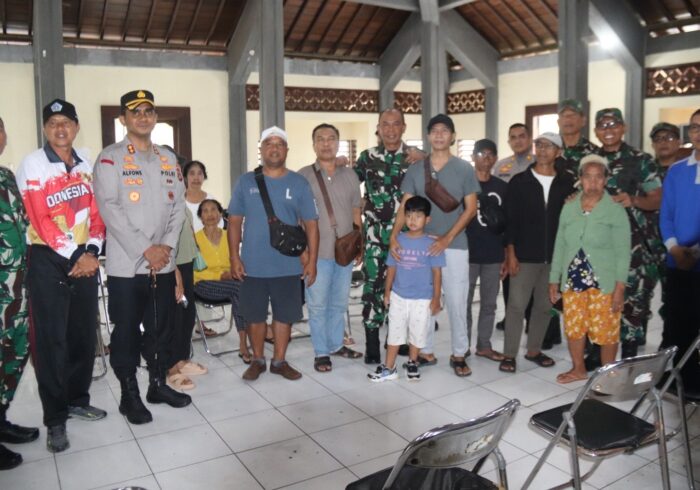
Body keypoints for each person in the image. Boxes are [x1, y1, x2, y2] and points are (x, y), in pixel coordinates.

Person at [94, 90, 191, 425]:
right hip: (126, 265)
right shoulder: (110, 158)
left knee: (161, 328)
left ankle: (157, 384)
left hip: (162, 264)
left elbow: (178, 207)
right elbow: (110, 209)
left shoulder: (168, 159)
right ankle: (129, 394)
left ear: (155, 117)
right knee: (125, 332)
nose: (143, 117)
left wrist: (166, 249)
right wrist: (146, 249)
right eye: (135, 112)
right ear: (124, 119)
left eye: (148, 111)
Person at [16, 99, 107, 452]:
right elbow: (39, 218)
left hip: (85, 256)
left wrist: (92, 251)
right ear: (45, 129)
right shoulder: (33, 164)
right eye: (53, 122)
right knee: (51, 341)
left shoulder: (86, 163)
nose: (60, 128)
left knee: (83, 334)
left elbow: (97, 213)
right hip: (48, 258)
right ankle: (55, 419)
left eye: (66, 122)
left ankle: (77, 400)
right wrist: (77, 255)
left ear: (76, 126)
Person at [392, 114, 480, 377]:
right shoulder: (416, 170)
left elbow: (471, 209)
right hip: (421, 245)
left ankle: (459, 353)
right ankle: (425, 350)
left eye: (445, 130)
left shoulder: (464, 168)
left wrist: (447, 238)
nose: (439, 135)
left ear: (452, 136)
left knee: (456, 300)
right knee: (424, 300)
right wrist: (394, 236)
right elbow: (405, 206)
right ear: (428, 136)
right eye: (435, 131)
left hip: (455, 245)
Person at [228, 126, 319, 381]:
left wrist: (312, 260)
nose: (274, 148)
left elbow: (312, 224)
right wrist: (234, 257)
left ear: (287, 150)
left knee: (284, 316)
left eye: (279, 144)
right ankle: (258, 360)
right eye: (269, 143)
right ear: (261, 149)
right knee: (254, 316)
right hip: (252, 265)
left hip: (288, 265)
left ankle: (279, 361)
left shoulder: (299, 183)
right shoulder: (246, 182)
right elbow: (234, 222)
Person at [549, 155, 630, 383]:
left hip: (603, 281)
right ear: (580, 179)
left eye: (598, 177)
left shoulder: (615, 210)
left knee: (606, 329)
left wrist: (619, 288)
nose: (593, 182)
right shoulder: (569, 206)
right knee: (574, 327)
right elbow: (560, 244)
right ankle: (578, 369)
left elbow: (623, 252)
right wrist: (554, 279)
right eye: (588, 176)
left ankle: (608, 375)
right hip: (573, 279)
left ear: (605, 180)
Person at [500, 132, 575, 373]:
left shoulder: (567, 183)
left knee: (544, 306)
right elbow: (510, 220)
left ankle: (534, 350)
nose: (543, 150)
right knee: (516, 305)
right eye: (540, 145)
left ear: (558, 152)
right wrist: (510, 253)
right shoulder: (520, 181)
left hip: (554, 257)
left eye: (549, 146)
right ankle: (509, 354)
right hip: (524, 255)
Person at [594, 108, 664, 358]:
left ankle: (630, 352)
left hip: (634, 243)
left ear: (624, 128)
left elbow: (657, 198)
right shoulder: (591, 161)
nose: (608, 130)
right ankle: (599, 350)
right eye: (603, 125)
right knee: (601, 298)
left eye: (614, 124)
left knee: (633, 301)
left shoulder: (641, 160)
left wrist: (633, 200)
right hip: (599, 246)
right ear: (596, 131)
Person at [354, 109, 421, 364]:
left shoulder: (414, 158)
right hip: (374, 236)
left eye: (396, 124)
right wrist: (338, 164)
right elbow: (348, 183)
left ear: (403, 127)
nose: (391, 129)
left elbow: (436, 174)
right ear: (379, 128)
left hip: (405, 237)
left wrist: (425, 156)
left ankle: (396, 338)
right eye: (385, 124)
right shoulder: (366, 157)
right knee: (373, 286)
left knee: (402, 286)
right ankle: (372, 343)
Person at [299, 124, 363, 373]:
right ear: (313, 144)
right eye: (321, 139)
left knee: (338, 302)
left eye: (331, 138)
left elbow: (356, 211)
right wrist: (304, 254)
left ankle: (336, 344)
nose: (326, 143)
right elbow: (296, 218)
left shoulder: (350, 175)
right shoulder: (303, 176)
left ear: (338, 142)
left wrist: (359, 243)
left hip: (344, 252)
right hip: (316, 254)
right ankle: (321, 352)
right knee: (317, 305)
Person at [369, 196, 444, 382]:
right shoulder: (398, 240)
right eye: (409, 215)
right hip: (399, 295)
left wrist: (436, 298)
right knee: (394, 331)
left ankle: (412, 362)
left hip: (422, 297)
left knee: (418, 332)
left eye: (418, 216)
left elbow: (437, 273)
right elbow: (391, 268)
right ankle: (389, 367)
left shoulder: (432, 244)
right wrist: (387, 292)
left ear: (427, 219)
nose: (412, 220)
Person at [0, 116, 39, 469]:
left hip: (17, 291)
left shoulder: (7, 177)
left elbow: (24, 225)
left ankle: (1, 418)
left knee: (15, 354)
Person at [659, 108, 700, 395]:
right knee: (678, 325)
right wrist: (674, 249)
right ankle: (680, 381)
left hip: (694, 259)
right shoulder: (676, 170)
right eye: (695, 127)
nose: (699, 132)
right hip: (677, 262)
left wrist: (694, 252)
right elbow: (666, 216)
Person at [193, 199, 249, 364]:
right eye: (205, 211)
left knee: (242, 289)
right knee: (239, 289)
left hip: (230, 282)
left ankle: (244, 340)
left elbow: (236, 260)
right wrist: (220, 276)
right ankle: (246, 341)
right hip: (203, 284)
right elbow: (194, 273)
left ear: (220, 215)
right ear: (200, 217)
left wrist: (235, 271)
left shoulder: (229, 236)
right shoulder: (195, 239)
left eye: (214, 210)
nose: (210, 214)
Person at [465, 139, 507, 362]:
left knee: (489, 304)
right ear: (473, 157)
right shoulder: (464, 184)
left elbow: (508, 223)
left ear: (496, 158)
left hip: (493, 254)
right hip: (467, 254)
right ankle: (462, 346)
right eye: (482, 154)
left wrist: (506, 254)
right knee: (464, 303)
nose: (486, 158)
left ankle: (484, 345)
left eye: (491, 154)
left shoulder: (502, 187)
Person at [492, 123, 533, 333]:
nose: (518, 140)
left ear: (530, 139)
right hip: (508, 228)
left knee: (533, 277)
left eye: (522, 136)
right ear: (509, 141)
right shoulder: (501, 166)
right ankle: (510, 316)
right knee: (509, 275)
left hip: (532, 229)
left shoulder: (539, 163)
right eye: (513, 137)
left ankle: (532, 320)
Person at [183, 160, 223, 232]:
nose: (196, 177)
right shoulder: (178, 200)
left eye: (200, 173)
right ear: (185, 177)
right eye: (192, 174)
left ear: (204, 177)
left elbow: (219, 225)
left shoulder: (211, 200)